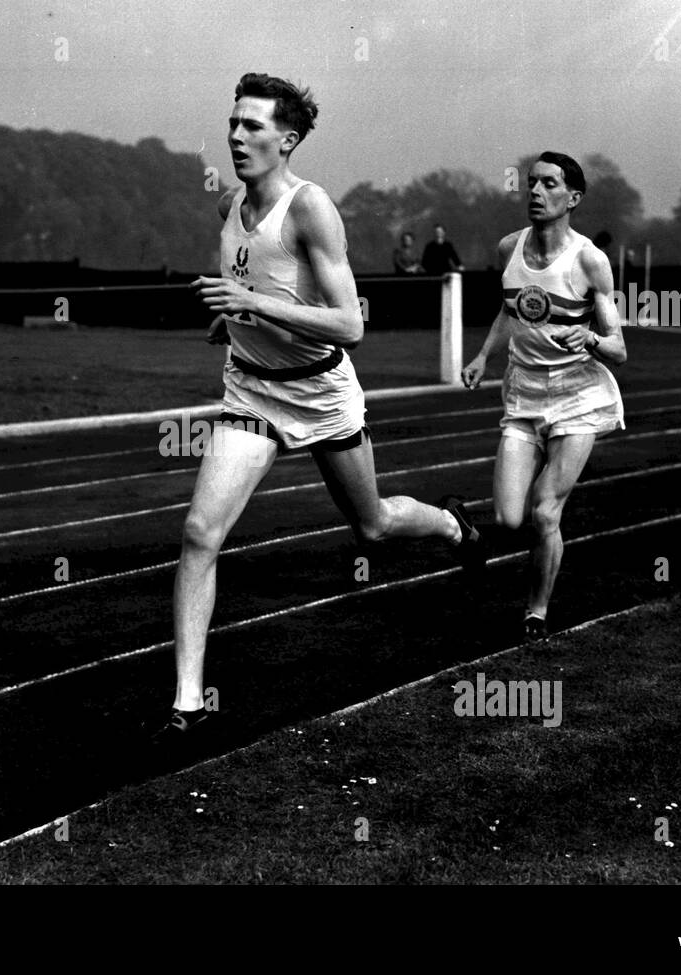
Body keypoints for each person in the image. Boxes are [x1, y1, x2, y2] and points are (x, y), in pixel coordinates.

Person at [152, 73, 485, 744]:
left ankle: (451, 524)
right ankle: (189, 699)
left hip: (321, 391)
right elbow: (249, 288)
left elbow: (347, 323)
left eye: (252, 126)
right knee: (199, 533)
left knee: (372, 527)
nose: (236, 135)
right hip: (251, 392)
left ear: (288, 140)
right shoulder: (228, 207)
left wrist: (250, 305)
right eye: (234, 121)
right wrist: (228, 321)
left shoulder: (310, 209)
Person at [461, 152, 626, 642]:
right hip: (523, 393)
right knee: (507, 517)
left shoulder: (589, 260)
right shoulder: (509, 247)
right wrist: (482, 357)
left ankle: (536, 612)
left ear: (572, 198)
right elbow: (509, 312)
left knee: (544, 511)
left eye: (548, 184)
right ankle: (467, 528)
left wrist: (592, 339)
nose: (534, 191)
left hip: (577, 396)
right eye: (531, 182)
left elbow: (618, 347)